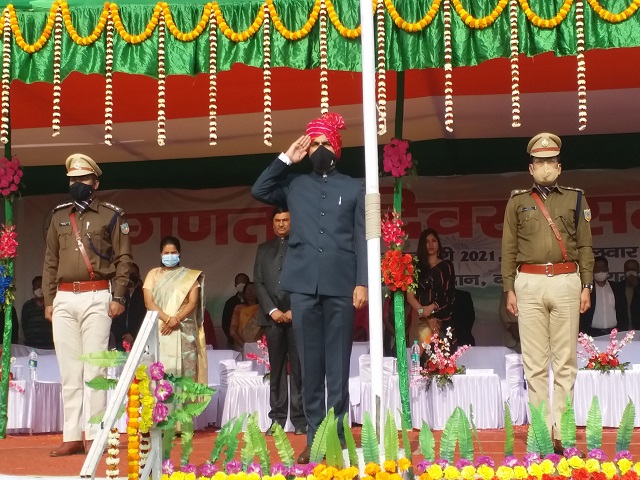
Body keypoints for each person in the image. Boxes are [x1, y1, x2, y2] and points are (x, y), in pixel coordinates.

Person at [251, 112, 367, 464]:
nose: (319, 149)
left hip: (341, 285)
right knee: (309, 367)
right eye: (314, 143)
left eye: (325, 143)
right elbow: (259, 190)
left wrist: (361, 281)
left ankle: (337, 435)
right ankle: (315, 440)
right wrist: (288, 157)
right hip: (302, 288)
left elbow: (362, 237)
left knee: (337, 365)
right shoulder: (294, 185)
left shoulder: (354, 186)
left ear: (338, 147)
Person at [501, 132, 594, 454]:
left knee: (566, 363)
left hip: (568, 281)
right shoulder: (518, 201)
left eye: (550, 161)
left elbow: (585, 246)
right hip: (529, 282)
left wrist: (587, 284)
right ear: (531, 167)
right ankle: (541, 435)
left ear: (559, 165)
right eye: (539, 162)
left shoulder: (575, 198)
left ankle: (563, 435)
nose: (545, 167)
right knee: (535, 364)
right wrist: (508, 289)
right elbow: (508, 249)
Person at [42, 153, 133, 457]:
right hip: (65, 297)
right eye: (72, 180)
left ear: (95, 182)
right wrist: (50, 298)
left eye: (82, 179)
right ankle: (71, 435)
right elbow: (50, 261)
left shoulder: (111, 214)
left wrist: (118, 296)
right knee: (69, 371)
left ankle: (95, 434)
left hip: (98, 294)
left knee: (94, 368)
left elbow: (123, 259)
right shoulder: (58, 216)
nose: (77, 184)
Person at [253, 206, 305, 435]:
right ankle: (277, 419)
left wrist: (296, 308)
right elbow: (258, 282)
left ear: (292, 222)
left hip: (297, 317)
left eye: (285, 219)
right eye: (277, 220)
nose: (282, 224)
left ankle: (301, 420)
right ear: (272, 223)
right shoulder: (263, 250)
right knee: (276, 371)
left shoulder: (302, 248)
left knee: (299, 369)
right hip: (272, 319)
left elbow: (307, 279)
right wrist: (272, 310)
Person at [143, 236, 207, 383]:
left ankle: (186, 405)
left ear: (179, 253)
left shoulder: (189, 276)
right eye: (166, 253)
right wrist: (168, 319)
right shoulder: (153, 274)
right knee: (160, 371)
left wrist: (176, 320)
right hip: (160, 328)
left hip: (184, 330)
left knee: (186, 373)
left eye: (173, 252)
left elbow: (193, 302)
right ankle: (162, 406)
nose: (170, 256)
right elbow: (148, 302)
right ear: (161, 254)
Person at [407, 228, 456, 350]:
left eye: (433, 240)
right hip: (421, 318)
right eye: (427, 241)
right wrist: (425, 314)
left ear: (438, 244)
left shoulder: (447, 267)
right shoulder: (415, 267)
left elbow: (449, 294)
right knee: (424, 357)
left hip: (443, 318)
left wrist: (432, 307)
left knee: (445, 360)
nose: (430, 244)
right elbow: (410, 296)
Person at [110, 264, 146, 351]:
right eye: (128, 274)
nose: (131, 276)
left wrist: (133, 334)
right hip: (120, 340)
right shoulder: (116, 296)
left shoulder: (145, 295)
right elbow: (112, 318)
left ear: (139, 275)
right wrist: (122, 336)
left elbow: (144, 317)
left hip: (140, 338)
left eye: (134, 274)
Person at [580, 256, 618, 337]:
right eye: (597, 269)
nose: (600, 271)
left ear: (607, 269)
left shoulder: (616, 287)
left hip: (614, 333)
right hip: (592, 333)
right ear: (592, 270)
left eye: (603, 268)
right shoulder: (586, 290)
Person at [21, 276, 54, 350]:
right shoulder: (27, 305)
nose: (40, 289)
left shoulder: (51, 305)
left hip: (49, 348)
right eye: (37, 286)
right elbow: (24, 325)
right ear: (33, 290)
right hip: (31, 348)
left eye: (42, 286)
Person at [229, 282, 262, 349]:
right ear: (244, 293)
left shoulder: (262, 309)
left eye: (253, 289)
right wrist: (244, 345)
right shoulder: (239, 308)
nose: (250, 292)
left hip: (258, 346)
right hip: (241, 346)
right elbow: (232, 331)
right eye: (248, 290)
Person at [221, 273, 249, 348]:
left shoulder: (256, 302)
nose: (241, 285)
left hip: (253, 342)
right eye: (238, 283)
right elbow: (225, 323)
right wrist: (232, 339)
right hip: (234, 342)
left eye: (243, 282)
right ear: (235, 285)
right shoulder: (230, 302)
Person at [613, 259, 640, 331]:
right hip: (623, 329)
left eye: (633, 269)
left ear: (638, 271)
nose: (630, 271)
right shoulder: (618, 287)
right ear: (624, 271)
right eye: (628, 269)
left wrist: (636, 285)